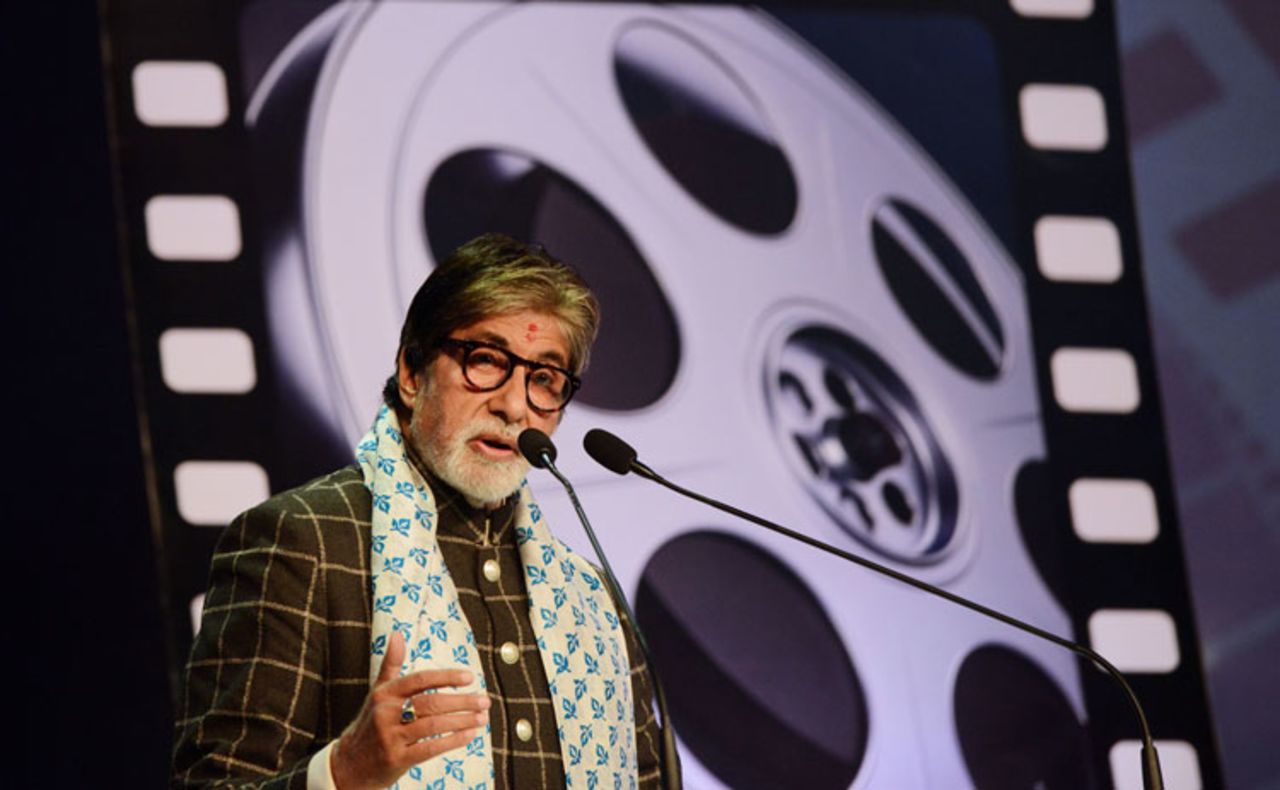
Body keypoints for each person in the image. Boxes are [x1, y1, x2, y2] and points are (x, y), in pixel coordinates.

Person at [173, 234, 664, 789]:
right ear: (412, 373)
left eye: (544, 379)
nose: (513, 404)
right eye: (486, 361)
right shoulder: (303, 542)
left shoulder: (592, 602)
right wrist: (343, 773)